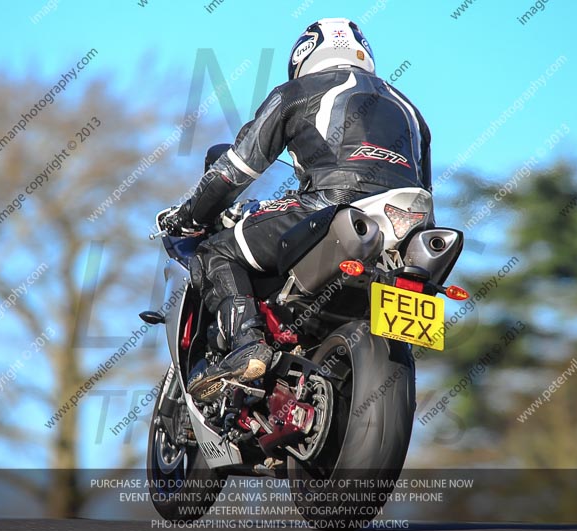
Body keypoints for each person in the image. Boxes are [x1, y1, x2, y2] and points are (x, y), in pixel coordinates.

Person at [160, 17, 432, 402]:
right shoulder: (412, 111)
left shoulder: (297, 91)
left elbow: (235, 170)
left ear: (303, 55)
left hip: (332, 206)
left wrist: (190, 216)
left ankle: (247, 345)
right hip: (411, 229)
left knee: (214, 252)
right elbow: (425, 187)